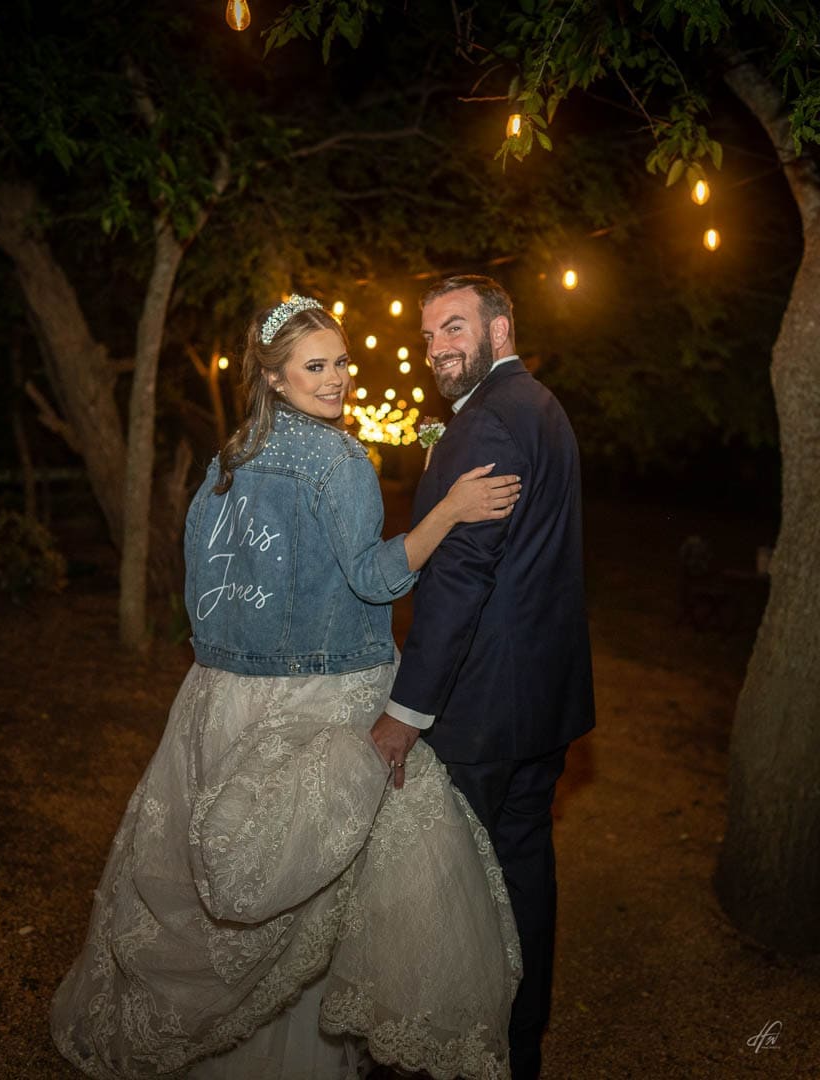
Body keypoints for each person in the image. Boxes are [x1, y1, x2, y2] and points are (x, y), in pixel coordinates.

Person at [50, 295, 524, 1080]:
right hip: (324, 694)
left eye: (341, 363)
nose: (337, 379)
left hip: (224, 695)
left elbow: (204, 583)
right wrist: (450, 510)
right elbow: (374, 580)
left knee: (234, 867)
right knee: (314, 883)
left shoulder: (230, 457)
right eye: (316, 366)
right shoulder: (340, 460)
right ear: (272, 377)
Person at [370, 275, 596, 1079]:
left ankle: (450, 1048)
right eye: (430, 334)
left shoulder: (488, 421)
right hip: (541, 701)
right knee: (522, 868)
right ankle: (517, 1044)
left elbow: (461, 578)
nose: (437, 347)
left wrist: (407, 711)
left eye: (455, 327)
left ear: (499, 330)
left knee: (449, 887)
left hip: (483, 708)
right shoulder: (543, 407)